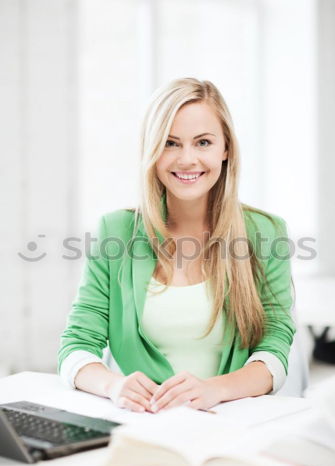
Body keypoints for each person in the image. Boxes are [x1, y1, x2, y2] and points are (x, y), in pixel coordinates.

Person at [58, 77, 296, 413]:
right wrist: (114, 385)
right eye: (170, 143)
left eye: (203, 142)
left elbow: (274, 350)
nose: (187, 159)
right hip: (145, 423)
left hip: (232, 423)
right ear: (151, 151)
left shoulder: (266, 232)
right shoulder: (117, 231)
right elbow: (76, 346)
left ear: (225, 148)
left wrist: (215, 389)